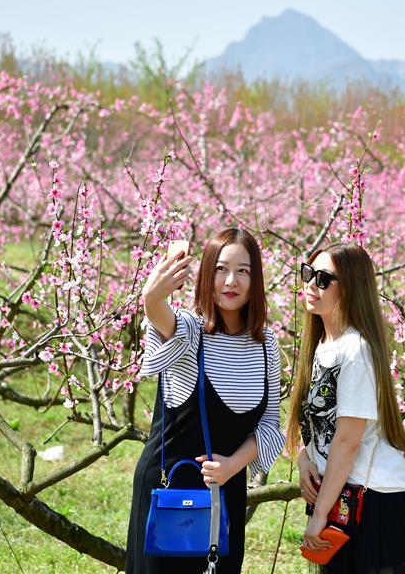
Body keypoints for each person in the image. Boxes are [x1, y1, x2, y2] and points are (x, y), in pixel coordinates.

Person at [125, 228, 284, 574]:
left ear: (255, 279)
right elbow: (160, 315)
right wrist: (152, 296)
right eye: (221, 269)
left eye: (243, 271)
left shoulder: (266, 344)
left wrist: (232, 466)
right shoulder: (190, 330)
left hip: (225, 493)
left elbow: (270, 425)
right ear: (206, 274)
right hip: (169, 491)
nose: (231, 281)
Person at [287, 244, 405, 574]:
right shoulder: (322, 344)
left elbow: (348, 441)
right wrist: (304, 458)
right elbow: (313, 424)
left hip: (377, 505)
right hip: (341, 499)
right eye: (308, 274)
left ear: (350, 289)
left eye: (323, 278)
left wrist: (318, 516)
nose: (311, 285)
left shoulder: (355, 349)